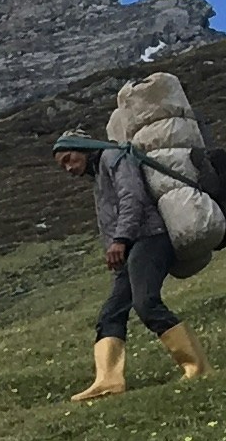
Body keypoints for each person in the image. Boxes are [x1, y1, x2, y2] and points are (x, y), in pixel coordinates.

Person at [48, 130, 209, 402]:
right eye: (63, 164)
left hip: (149, 238)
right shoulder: (99, 169)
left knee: (146, 302)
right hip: (132, 244)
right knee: (111, 313)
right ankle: (108, 380)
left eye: (70, 159)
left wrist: (120, 239)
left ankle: (198, 367)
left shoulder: (113, 157)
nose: (69, 167)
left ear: (82, 148)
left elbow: (132, 198)